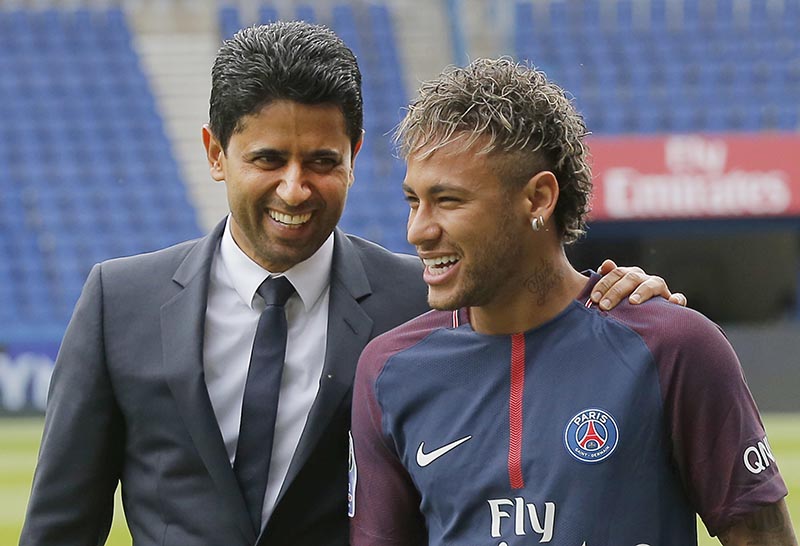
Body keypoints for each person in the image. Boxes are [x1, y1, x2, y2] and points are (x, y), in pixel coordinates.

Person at [20, 23, 681, 546]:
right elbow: (60, 526)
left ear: (356, 155)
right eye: (268, 160)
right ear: (216, 154)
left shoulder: (421, 301)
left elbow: (545, 340)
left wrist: (626, 303)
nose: (295, 188)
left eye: (322, 162)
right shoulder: (120, 302)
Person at [349, 58, 797, 545]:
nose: (418, 230)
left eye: (449, 201)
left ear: (539, 198)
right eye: (413, 200)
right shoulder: (387, 371)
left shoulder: (675, 348)